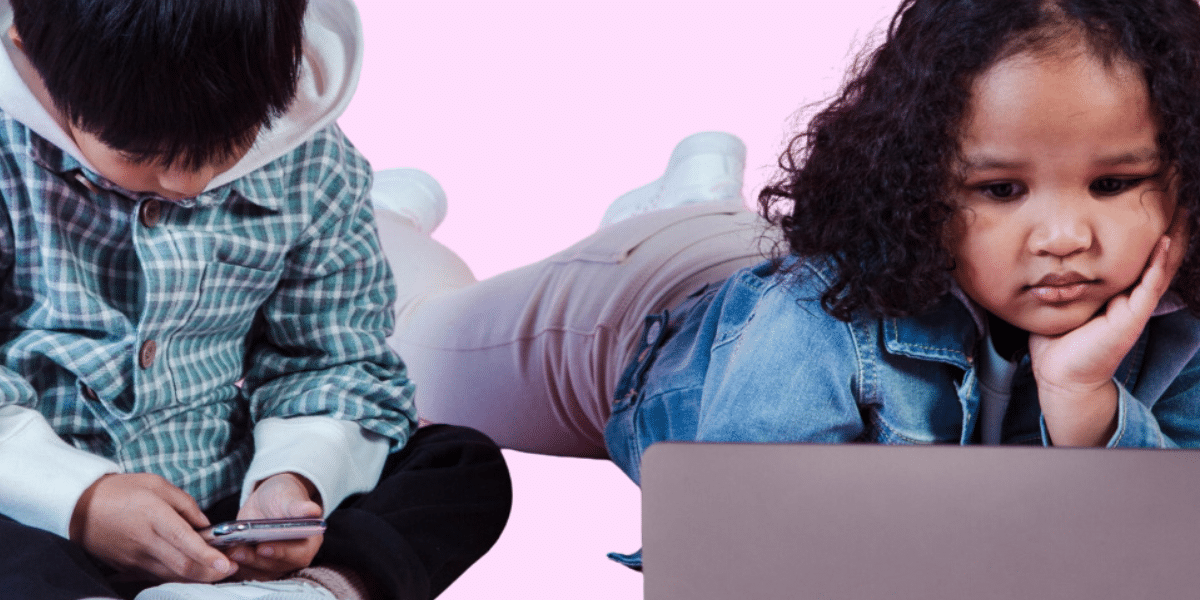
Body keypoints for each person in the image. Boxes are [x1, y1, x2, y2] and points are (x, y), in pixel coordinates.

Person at [380, 0, 1200, 569]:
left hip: (759, 260)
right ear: (917, 185)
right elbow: (738, 549)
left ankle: (693, 189)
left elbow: (1160, 553)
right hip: (636, 319)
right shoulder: (808, 323)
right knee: (412, 338)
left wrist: (1085, 404)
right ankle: (383, 216)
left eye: (1114, 183)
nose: (1064, 238)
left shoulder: (1181, 329)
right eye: (1000, 191)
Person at [0, 0, 512, 598]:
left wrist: (295, 480)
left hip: (222, 497)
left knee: (461, 465)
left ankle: (306, 588)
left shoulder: (313, 163)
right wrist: (81, 501)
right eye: (139, 155)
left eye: (229, 145)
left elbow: (334, 358)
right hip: (31, 503)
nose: (188, 184)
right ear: (28, 59)